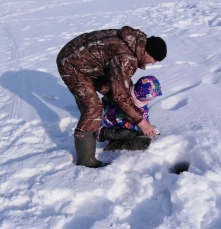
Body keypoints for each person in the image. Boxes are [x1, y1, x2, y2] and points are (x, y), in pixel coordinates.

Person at [56, 26, 167, 167]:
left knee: (119, 91)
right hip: (72, 64)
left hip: (88, 61)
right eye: (154, 59)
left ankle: (115, 127)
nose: (153, 63)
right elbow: (120, 95)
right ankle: (86, 161)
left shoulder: (135, 42)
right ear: (146, 51)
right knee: (92, 108)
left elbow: (120, 86)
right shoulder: (126, 58)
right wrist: (141, 122)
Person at [97, 76, 162, 150]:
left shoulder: (142, 102)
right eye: (148, 98)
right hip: (114, 122)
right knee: (127, 133)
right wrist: (138, 128)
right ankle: (103, 132)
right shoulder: (124, 103)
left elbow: (143, 115)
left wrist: (148, 125)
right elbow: (120, 120)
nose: (149, 101)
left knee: (136, 132)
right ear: (139, 95)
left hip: (130, 123)